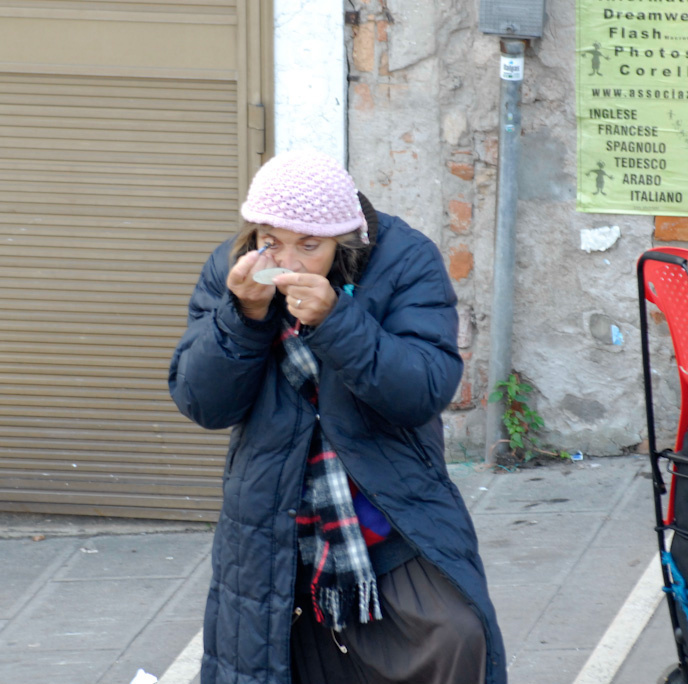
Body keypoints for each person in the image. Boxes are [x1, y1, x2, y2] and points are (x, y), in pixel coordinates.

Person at [169, 149, 506, 684]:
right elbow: (202, 402)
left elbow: (424, 388)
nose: (290, 261)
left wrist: (336, 321)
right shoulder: (232, 270)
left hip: (391, 512)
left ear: (343, 237)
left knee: (456, 635)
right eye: (272, 241)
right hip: (272, 524)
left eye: (310, 245)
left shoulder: (406, 260)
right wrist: (243, 317)